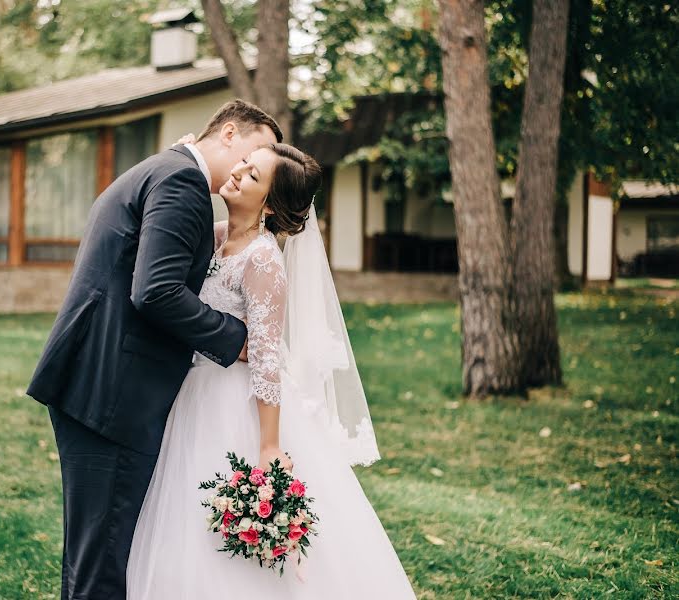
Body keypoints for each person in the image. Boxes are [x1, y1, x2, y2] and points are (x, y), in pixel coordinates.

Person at [126, 143, 418, 598]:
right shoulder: (217, 236)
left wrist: (267, 446)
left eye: (254, 175)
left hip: (232, 403)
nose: (239, 171)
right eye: (244, 162)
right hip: (191, 392)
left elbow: (265, 362)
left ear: (269, 204)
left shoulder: (263, 261)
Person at [26, 100, 282, 600]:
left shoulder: (161, 170)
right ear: (229, 133)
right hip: (115, 395)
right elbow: (156, 291)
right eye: (257, 152)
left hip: (95, 385)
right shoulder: (181, 183)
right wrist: (236, 338)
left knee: (92, 556)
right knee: (102, 565)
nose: (257, 168)